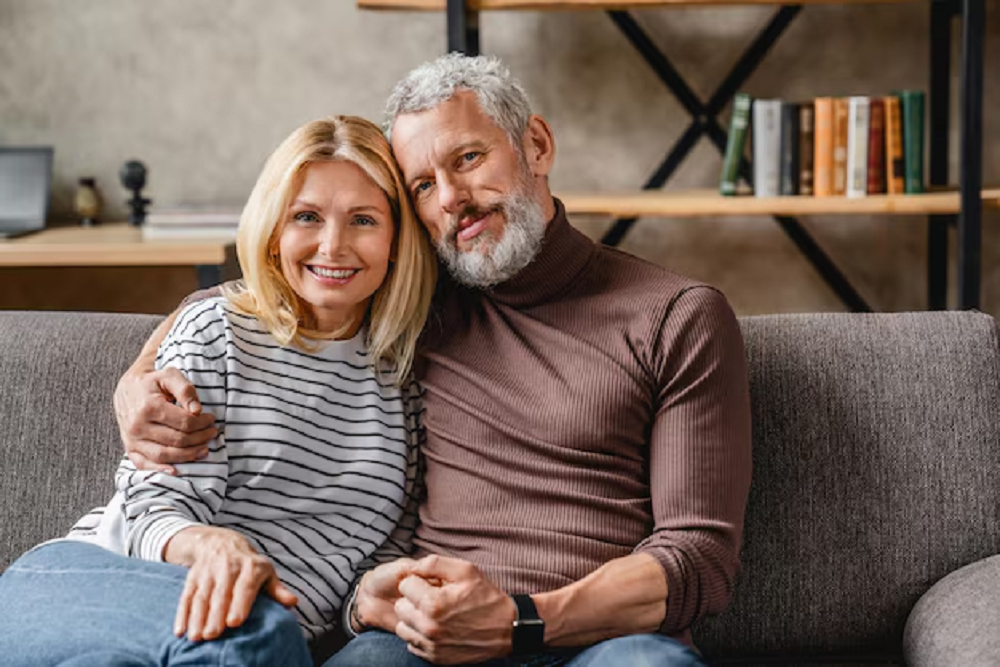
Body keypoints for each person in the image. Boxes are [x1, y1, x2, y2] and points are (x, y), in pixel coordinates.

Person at [115, 54, 753, 667]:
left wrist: (518, 621)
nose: (451, 197)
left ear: (536, 145)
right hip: (424, 638)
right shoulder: (418, 300)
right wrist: (138, 378)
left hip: (605, 640)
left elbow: (699, 558)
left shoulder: (676, 315)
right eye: (423, 185)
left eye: (468, 158)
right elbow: (259, 294)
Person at [0, 115, 437, 666]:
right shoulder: (218, 330)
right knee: (252, 634)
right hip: (91, 583)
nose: (333, 245)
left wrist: (362, 607)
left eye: (363, 220)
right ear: (274, 234)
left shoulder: (406, 382)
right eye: (306, 217)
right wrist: (208, 545)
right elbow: (153, 506)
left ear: (396, 241)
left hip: (253, 641)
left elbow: (374, 559)